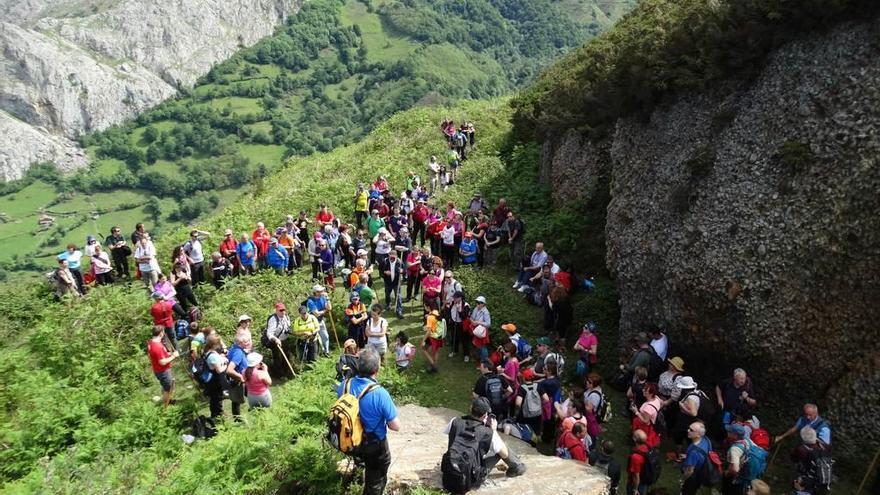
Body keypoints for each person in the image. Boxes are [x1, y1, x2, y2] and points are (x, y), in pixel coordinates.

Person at [336, 349, 400, 495]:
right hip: (374, 444)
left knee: (363, 463)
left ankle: (357, 478)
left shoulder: (344, 384)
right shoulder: (380, 393)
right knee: (375, 481)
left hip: (352, 440)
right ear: (376, 369)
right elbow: (395, 426)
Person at [441, 397, 526, 493]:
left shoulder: (454, 421)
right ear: (485, 414)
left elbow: (452, 435)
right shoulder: (488, 432)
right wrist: (493, 431)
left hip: (450, 471)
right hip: (471, 479)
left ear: (471, 408)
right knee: (501, 449)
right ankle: (517, 467)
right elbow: (504, 453)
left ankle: (516, 466)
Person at [790, 426, 832, 495]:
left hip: (809, 480)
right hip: (825, 483)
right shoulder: (825, 446)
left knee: (796, 483)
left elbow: (794, 458)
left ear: (802, 438)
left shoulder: (802, 450)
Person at [147, 324, 179, 408]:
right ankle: (166, 406)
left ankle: (169, 400)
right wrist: (173, 356)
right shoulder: (157, 346)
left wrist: (169, 353)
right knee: (167, 389)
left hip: (158, 369)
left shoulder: (151, 342)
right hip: (163, 371)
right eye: (163, 332)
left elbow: (153, 356)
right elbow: (162, 362)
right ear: (161, 333)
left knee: (168, 385)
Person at [225, 330, 251, 419]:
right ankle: (257, 410)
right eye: (247, 341)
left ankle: (237, 419)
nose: (249, 343)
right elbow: (229, 370)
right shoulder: (238, 353)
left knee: (236, 400)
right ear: (240, 343)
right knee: (253, 394)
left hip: (237, 379)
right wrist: (241, 377)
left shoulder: (233, 348)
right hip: (241, 379)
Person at [203, 333, 230, 418]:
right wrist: (226, 364)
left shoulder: (209, 352)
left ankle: (218, 412)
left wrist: (221, 357)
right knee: (217, 398)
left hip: (213, 380)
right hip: (215, 381)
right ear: (214, 344)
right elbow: (219, 370)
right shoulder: (213, 356)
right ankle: (217, 415)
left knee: (215, 398)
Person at [681, 421, 711, 495]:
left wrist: (683, 480)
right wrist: (687, 456)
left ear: (698, 434)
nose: (688, 430)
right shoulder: (706, 440)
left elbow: (690, 471)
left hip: (693, 477)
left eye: (691, 430)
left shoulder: (694, 452)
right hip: (701, 473)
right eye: (689, 428)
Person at [265, 303, 293, 377]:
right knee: (278, 358)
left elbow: (288, 327)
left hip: (285, 340)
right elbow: (269, 333)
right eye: (281, 310)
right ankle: (279, 375)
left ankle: (287, 372)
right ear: (276, 311)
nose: (283, 312)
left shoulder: (286, 317)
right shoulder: (273, 320)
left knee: (287, 356)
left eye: (284, 310)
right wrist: (276, 339)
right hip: (276, 341)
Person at [307, 285, 332, 356]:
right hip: (312, 323)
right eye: (321, 291)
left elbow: (329, 308)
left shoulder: (323, 298)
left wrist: (327, 298)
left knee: (325, 336)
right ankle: (317, 354)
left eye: (322, 291)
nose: (322, 292)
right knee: (316, 339)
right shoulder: (310, 301)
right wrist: (325, 310)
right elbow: (316, 313)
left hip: (321, 321)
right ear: (316, 292)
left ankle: (326, 352)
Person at [379, 248, 404, 318]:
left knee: (398, 296)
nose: (392, 258)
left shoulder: (399, 262)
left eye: (394, 257)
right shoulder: (384, 262)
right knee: (387, 293)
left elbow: (404, 270)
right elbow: (380, 269)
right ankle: (388, 304)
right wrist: (384, 272)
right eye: (391, 256)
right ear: (389, 255)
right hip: (388, 281)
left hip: (396, 282)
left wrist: (402, 271)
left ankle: (399, 310)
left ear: (396, 256)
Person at [627, 430, 652, 495]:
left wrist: (635, 489)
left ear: (634, 439)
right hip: (645, 479)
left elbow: (636, 476)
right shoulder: (648, 447)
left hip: (638, 483)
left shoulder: (636, 457)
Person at [422, 308, 444, 373]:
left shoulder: (430, 317)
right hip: (439, 335)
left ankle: (433, 365)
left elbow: (428, 332)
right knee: (436, 351)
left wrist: (423, 340)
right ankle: (434, 364)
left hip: (433, 336)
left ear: (428, 307)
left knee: (423, 348)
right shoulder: (436, 312)